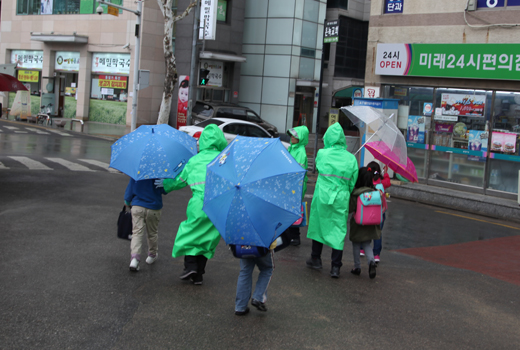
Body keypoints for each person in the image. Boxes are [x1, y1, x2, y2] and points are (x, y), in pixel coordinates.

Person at [156, 124, 227, 285]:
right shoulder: (223, 160)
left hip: (198, 204)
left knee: (190, 233)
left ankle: (190, 267)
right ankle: (199, 274)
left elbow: (179, 180)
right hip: (218, 206)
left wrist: (164, 186)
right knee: (207, 238)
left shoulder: (194, 160)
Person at [306, 122, 358, 278]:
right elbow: (352, 181)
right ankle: (335, 267)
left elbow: (318, 165)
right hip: (340, 197)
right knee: (338, 230)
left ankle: (316, 258)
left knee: (319, 225)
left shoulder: (322, 153)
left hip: (322, 195)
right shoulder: (351, 159)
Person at [125, 178, 167, 272]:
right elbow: (165, 190)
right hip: (154, 208)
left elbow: (130, 189)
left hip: (137, 206)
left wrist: (127, 201)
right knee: (152, 233)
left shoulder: (138, 172)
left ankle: (134, 259)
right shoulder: (159, 173)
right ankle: (152, 255)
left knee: (137, 233)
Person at [349, 166, 382, 279]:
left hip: (358, 223)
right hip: (371, 224)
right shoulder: (374, 192)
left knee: (356, 244)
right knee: (367, 244)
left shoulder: (356, 193)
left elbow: (351, 208)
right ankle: (371, 262)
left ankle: (357, 267)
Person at [234, 241, 277, 316]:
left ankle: (240, 307)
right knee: (267, 269)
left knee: (245, 272)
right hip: (264, 244)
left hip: (243, 243)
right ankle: (258, 297)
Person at [284, 125, 309, 246]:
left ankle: (294, 236)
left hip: (296, 185)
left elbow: (297, 171)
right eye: (292, 135)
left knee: (293, 209)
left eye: (295, 135)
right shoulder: (293, 148)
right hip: (291, 184)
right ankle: (290, 235)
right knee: (290, 209)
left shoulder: (300, 152)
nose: (292, 137)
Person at [365, 161, 391, 263]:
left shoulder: (367, 181)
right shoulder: (382, 182)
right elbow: (388, 182)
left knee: (366, 230)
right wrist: (386, 173)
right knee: (378, 232)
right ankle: (376, 255)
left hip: (368, 210)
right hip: (380, 212)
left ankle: (362, 249)